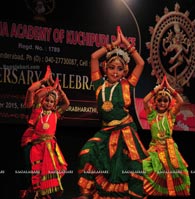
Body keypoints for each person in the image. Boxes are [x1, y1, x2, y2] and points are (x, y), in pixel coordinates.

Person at [73, 26, 148, 199]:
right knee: (87, 152)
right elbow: (93, 57)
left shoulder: (127, 85)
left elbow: (141, 63)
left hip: (125, 132)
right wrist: (113, 45)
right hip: (106, 132)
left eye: (120, 69)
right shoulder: (99, 85)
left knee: (126, 167)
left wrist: (126, 45)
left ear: (125, 71)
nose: (115, 71)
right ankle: (85, 192)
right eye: (112, 67)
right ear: (105, 68)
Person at [19, 66, 70, 199]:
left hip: (50, 147)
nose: (48, 103)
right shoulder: (38, 111)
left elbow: (66, 104)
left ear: (54, 104)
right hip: (37, 147)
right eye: (47, 100)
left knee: (51, 170)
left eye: (52, 101)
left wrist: (59, 91)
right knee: (36, 171)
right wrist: (50, 86)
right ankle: (35, 193)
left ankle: (44, 194)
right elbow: (36, 95)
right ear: (42, 101)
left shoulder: (55, 115)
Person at [142, 75, 190, 196]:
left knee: (174, 176)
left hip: (170, 151)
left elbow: (180, 101)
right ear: (155, 102)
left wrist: (169, 88)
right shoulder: (152, 115)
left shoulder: (170, 115)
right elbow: (144, 101)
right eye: (159, 100)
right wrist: (156, 90)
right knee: (151, 172)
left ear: (169, 103)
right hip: (155, 149)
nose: (162, 103)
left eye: (165, 100)